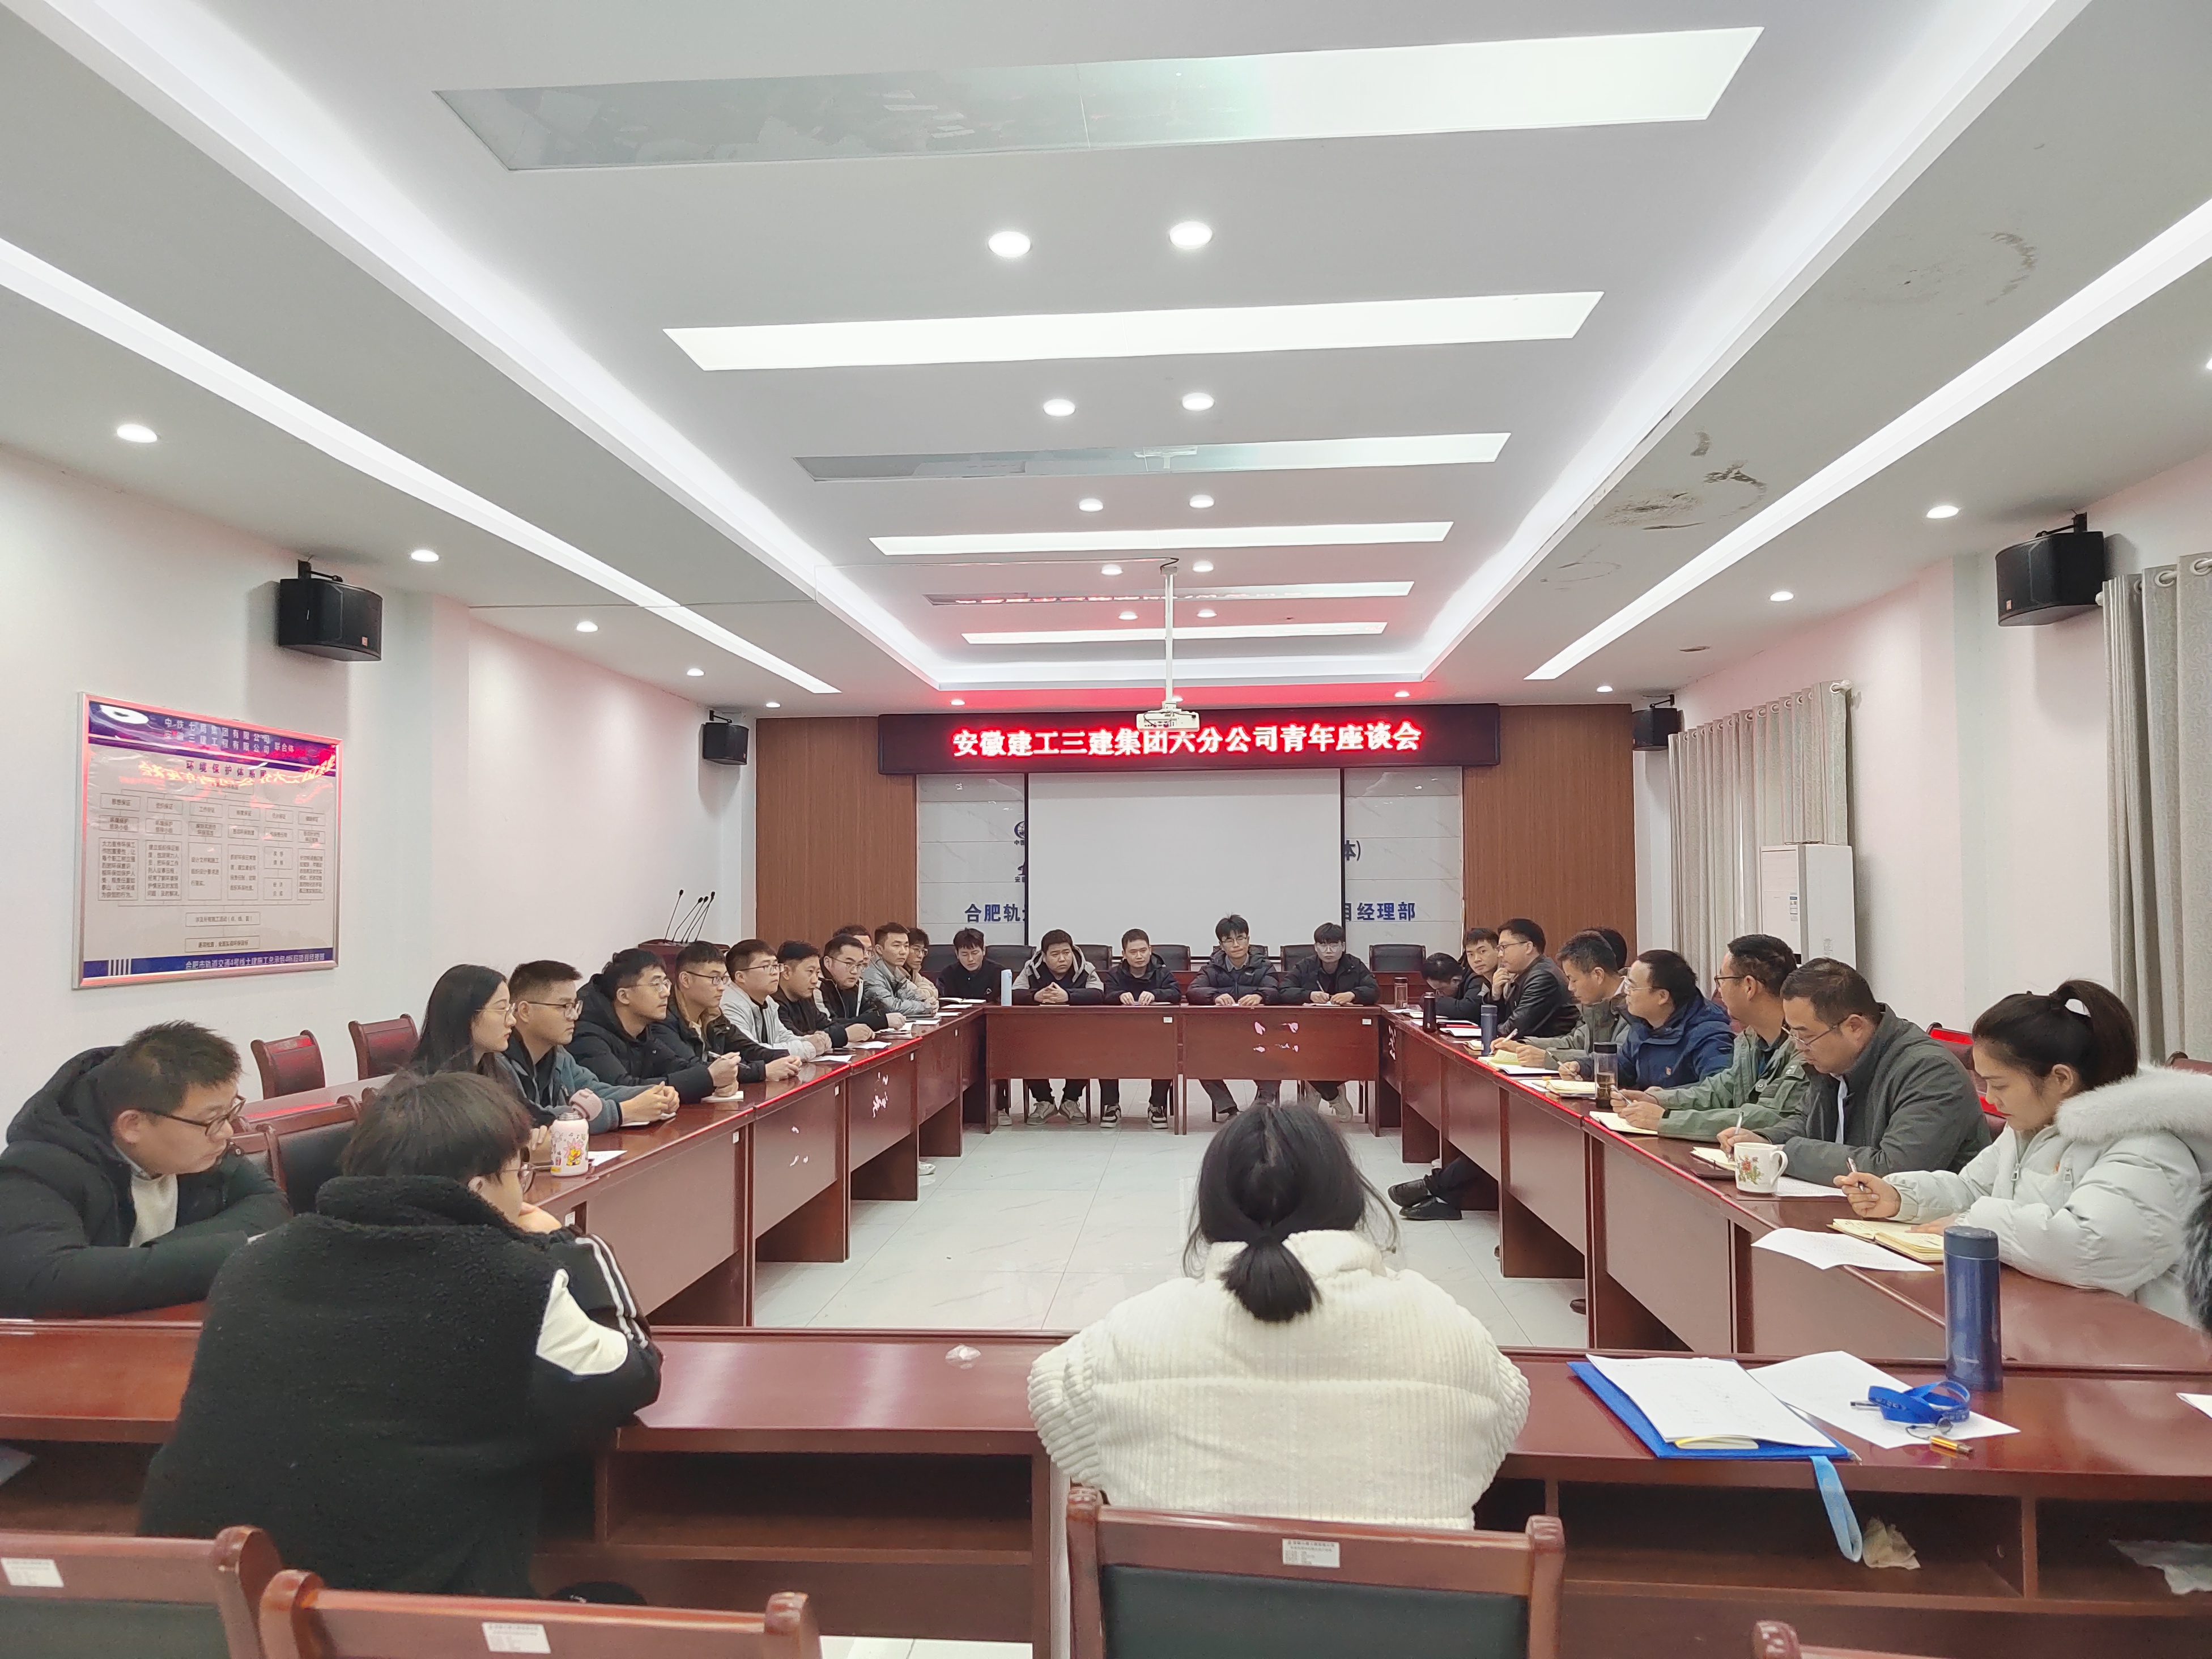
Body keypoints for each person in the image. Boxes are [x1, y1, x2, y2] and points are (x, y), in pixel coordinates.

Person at [139, 1073, 660, 1593]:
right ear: (479, 1191)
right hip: (393, 1619)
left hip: (200, 1600)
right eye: (518, 1172)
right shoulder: (514, 1281)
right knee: (614, 1599)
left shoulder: (253, 1261)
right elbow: (633, 1374)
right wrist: (570, 1245)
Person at [1027, 1103, 1528, 1528]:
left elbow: (1051, 1399)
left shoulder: (1134, 1335)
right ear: (1350, 1201)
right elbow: (1501, 1424)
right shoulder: (1445, 1329)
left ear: (1211, 1209)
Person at [1837, 982, 2212, 1321]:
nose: (1991, 1099)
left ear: (2061, 1078)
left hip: (2145, 1348)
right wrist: (1901, 1197)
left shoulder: (2148, 1146)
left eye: (1999, 1085)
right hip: (2055, 1319)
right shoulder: (2034, 1124)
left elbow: (2093, 1250)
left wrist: (1980, 1226)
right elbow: (1974, 1189)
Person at [0, 1022, 288, 1317]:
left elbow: (269, 1202)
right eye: (212, 1119)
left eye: (229, 1113)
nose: (226, 1132)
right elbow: (44, 1280)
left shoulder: (201, 1149)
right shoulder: (37, 1169)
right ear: (133, 1125)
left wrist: (153, 1255)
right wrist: (223, 1253)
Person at [1719, 959, 1992, 1184]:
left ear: (1854, 1027)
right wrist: (1764, 1140)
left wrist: (1784, 1154)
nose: (1798, 1047)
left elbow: (1893, 1171)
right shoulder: (1832, 1061)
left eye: (1806, 1036)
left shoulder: (1930, 1073)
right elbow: (1807, 1123)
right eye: (1792, 1034)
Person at [1614, 935, 1807, 1139]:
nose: (1719, 991)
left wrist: (1667, 1120)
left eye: (1721, 980)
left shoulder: (1804, 1046)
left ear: (1749, 987)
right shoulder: (1750, 1040)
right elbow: (1721, 1090)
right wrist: (1658, 1100)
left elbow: (1766, 1118)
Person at [503, 960, 673, 1132]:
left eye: (574, 1006)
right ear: (525, 1011)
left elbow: (594, 1091)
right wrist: (622, 1112)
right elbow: (529, 1118)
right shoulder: (498, 1063)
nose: (574, 1016)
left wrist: (654, 1094)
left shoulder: (559, 1055)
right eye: (564, 1006)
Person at [570, 948, 733, 1105]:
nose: (666, 993)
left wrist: (717, 1078)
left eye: (665, 983)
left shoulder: (643, 1030)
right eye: (656, 985)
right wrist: (707, 1078)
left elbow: (674, 1065)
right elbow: (622, 1089)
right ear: (624, 996)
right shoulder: (587, 1036)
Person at [1563, 950, 1733, 1091]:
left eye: (1632, 987)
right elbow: (1624, 1067)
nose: (1626, 992)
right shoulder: (1643, 1024)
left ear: (1662, 996)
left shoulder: (1709, 1035)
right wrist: (1583, 1067)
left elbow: (1717, 1090)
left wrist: (1662, 1099)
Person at [662, 941, 801, 1090]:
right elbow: (697, 1070)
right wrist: (763, 1071)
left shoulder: (713, 1015)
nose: (722, 987)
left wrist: (785, 1057)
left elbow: (747, 1048)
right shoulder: (664, 1021)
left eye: (724, 979)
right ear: (686, 980)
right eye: (715, 979)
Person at [1491, 930, 1627, 1071]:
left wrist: (1548, 1058)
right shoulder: (1600, 1003)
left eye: (1574, 980)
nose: (1570, 987)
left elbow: (1617, 1060)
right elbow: (1575, 1042)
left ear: (1598, 975)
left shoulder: (1633, 1006)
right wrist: (1523, 1046)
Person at [1190, 914, 1282, 1122]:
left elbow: (1276, 991)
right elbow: (1193, 991)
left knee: (1277, 1057)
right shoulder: (1212, 968)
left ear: (1248, 939)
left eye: (1241, 938)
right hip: (1222, 1035)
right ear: (1221, 945)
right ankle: (1229, 1110)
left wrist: (1260, 996)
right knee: (1198, 1058)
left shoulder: (1264, 966)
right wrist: (1215, 996)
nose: (1236, 945)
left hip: (1258, 1034)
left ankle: (1261, 1108)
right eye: (1229, 940)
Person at [1013, 930, 1108, 1121]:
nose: (1062, 959)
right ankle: (1044, 1101)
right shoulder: (1031, 968)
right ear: (1044, 956)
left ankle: (1070, 1101)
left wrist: (1068, 996)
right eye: (1055, 954)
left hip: (1077, 1031)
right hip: (1039, 1032)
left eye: (1066, 953)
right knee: (1025, 1049)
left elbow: (1098, 994)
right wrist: (1035, 996)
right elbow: (1013, 993)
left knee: (1088, 1048)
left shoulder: (1085, 967)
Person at [1290, 922, 1378, 1117]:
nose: (1328, 951)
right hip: (1310, 1031)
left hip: (1345, 1032)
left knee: (1358, 1054)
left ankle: (1317, 1088)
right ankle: (1333, 1095)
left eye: (1334, 945)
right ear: (1315, 947)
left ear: (1343, 946)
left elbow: (1374, 990)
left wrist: (1353, 995)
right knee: (1301, 1055)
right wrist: (1309, 995)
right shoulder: (1305, 966)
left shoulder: (1355, 965)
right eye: (1323, 945)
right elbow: (1284, 990)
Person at [1101, 928, 1181, 1128]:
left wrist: (1155, 994)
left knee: (1166, 1052)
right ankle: (1111, 1105)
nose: (1139, 956)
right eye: (1133, 952)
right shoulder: (1115, 974)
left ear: (1150, 950)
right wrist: (1119, 996)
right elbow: (1105, 996)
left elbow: (1175, 994)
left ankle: (1157, 1106)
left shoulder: (1162, 972)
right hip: (1119, 1033)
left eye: (1143, 951)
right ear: (1124, 954)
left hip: (1154, 1033)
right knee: (1104, 1051)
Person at [722, 937, 827, 1060]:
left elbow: (782, 1036)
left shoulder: (768, 1001)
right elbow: (753, 1052)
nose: (775, 972)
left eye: (776, 966)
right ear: (741, 977)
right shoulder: (730, 1006)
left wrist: (811, 1040)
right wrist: (809, 1048)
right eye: (767, 967)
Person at [411, 964, 517, 1084]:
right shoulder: (426, 1086)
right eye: (501, 1009)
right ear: (464, 1014)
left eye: (510, 1009)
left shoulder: (499, 1071)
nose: (512, 1021)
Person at [1494, 919, 1577, 1041]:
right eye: (1499, 948)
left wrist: (1489, 1029)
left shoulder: (1543, 977)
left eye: (1504, 947)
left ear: (1528, 947)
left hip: (1550, 1048)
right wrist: (1495, 995)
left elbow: (1513, 1030)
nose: (1500, 955)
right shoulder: (1523, 974)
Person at [822, 933, 904, 1042]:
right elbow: (828, 1025)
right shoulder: (816, 987)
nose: (855, 971)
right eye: (848, 964)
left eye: (860, 965)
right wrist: (880, 1021)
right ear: (828, 963)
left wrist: (878, 1019)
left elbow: (873, 1011)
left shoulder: (856, 985)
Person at [863, 922, 939, 1019]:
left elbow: (914, 995)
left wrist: (930, 1003)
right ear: (879, 949)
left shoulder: (895, 970)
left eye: (906, 946)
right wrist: (925, 1007)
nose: (903, 952)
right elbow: (891, 1008)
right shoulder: (870, 974)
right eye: (897, 946)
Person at [937, 926, 999, 1001]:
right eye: (964, 954)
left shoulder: (999, 973)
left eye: (975, 953)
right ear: (957, 954)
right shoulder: (947, 974)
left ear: (983, 951)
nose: (970, 959)